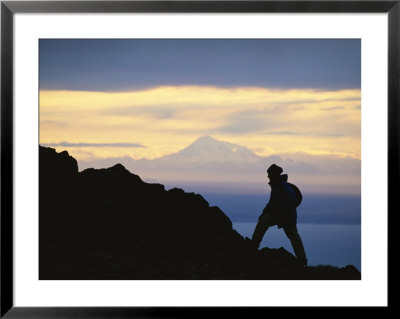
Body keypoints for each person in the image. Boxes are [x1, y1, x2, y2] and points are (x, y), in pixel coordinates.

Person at [250, 164, 308, 266]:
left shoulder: (280, 186)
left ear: (274, 174)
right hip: (284, 214)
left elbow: (277, 202)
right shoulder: (279, 185)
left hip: (285, 215)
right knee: (292, 234)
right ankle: (302, 258)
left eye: (269, 174)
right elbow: (273, 202)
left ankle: (253, 245)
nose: (268, 176)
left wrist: (269, 212)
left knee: (291, 234)